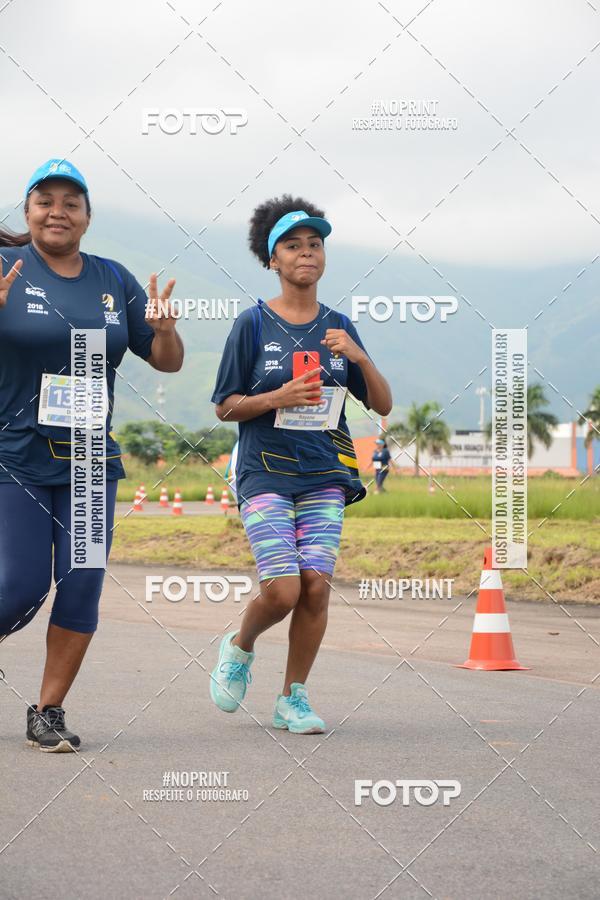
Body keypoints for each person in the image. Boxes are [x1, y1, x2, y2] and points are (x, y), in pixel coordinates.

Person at [0, 159, 183, 752]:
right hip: (14, 454)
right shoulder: (7, 267)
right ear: (27, 212)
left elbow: (165, 360)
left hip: (86, 460)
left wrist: (165, 328)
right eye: (45, 201)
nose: (58, 211)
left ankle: (48, 710)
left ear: (86, 216)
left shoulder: (113, 279)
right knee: (20, 584)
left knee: (81, 584)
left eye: (71, 202)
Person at [209, 195, 392, 734]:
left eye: (315, 244)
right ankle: (240, 647)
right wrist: (278, 397)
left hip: (326, 474)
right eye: (293, 245)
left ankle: (293, 698)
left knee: (315, 585)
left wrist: (359, 358)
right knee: (283, 589)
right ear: (273, 259)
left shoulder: (339, 327)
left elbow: (381, 404)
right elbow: (225, 406)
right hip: (264, 470)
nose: (306, 253)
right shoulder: (252, 324)